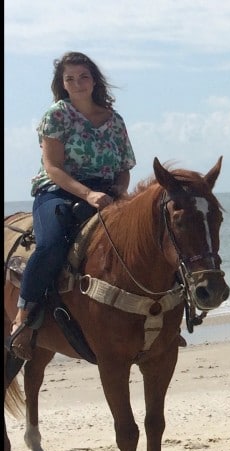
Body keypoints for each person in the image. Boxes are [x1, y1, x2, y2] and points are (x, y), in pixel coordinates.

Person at [7, 51, 137, 360]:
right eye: (70, 79)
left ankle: (162, 319)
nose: (77, 83)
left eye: (83, 77)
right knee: (51, 245)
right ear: (62, 84)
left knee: (144, 241)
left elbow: (125, 167)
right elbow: (53, 167)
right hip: (59, 192)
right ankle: (24, 314)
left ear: (94, 80)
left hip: (107, 194)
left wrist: (118, 191)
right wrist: (87, 194)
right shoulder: (57, 115)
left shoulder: (113, 119)